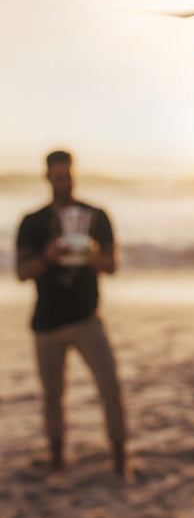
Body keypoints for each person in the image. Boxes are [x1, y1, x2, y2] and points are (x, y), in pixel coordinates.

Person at [15, 150, 129, 476]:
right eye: (57, 175)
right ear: (48, 177)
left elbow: (112, 265)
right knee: (52, 395)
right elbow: (22, 272)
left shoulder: (95, 216)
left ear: (73, 175)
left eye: (67, 175)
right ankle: (57, 456)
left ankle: (121, 457)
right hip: (46, 323)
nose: (63, 181)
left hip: (86, 318)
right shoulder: (32, 222)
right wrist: (49, 257)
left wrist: (88, 252)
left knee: (109, 385)